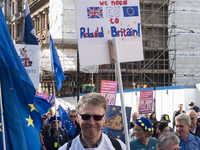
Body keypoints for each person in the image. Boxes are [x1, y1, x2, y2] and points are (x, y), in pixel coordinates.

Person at [58, 92, 126, 150]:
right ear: (77, 117)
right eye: (86, 117)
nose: (91, 122)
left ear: (104, 118)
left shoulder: (119, 147)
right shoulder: (65, 149)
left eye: (97, 117)